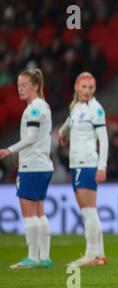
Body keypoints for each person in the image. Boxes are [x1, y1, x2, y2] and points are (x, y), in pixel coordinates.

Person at [0, 69, 53, 269]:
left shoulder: (34, 108)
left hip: (32, 166)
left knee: (28, 211)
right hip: (42, 165)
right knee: (39, 210)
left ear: (35, 86)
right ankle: (44, 257)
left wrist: (8, 150)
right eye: (18, 85)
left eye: (24, 85)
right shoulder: (42, 106)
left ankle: (32, 257)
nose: (20, 89)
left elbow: (31, 137)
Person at [58, 72, 109, 267]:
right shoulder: (76, 108)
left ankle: (90, 254)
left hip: (87, 163)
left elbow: (103, 140)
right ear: (76, 88)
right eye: (84, 87)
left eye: (91, 88)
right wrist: (62, 134)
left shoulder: (96, 109)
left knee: (88, 211)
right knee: (90, 210)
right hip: (77, 164)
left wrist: (102, 167)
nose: (87, 91)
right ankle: (100, 254)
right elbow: (68, 124)